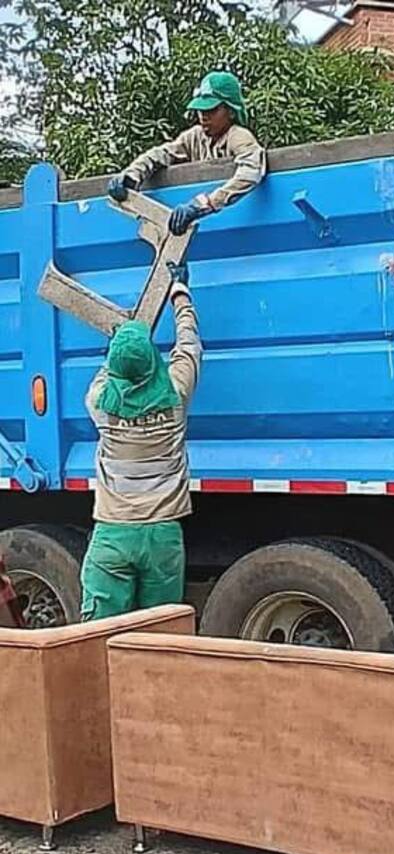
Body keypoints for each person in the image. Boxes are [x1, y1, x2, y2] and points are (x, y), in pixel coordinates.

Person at [80, 264, 201, 621]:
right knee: (157, 635)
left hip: (113, 535)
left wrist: (121, 341)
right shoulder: (176, 396)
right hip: (164, 535)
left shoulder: (99, 404)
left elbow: (111, 370)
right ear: (152, 362)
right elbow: (189, 344)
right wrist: (180, 291)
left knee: (97, 634)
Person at [108, 71, 266, 236]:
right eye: (201, 110)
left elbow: (250, 172)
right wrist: (132, 174)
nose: (204, 116)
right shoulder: (195, 136)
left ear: (231, 111)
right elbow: (161, 154)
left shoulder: (239, 136)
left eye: (211, 110)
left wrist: (202, 205)